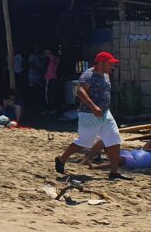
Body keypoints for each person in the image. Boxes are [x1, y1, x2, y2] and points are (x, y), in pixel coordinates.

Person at [55, 52, 131, 180]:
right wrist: (93, 106)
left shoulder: (106, 75)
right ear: (101, 63)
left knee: (114, 139)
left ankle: (114, 172)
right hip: (89, 114)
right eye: (110, 63)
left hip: (106, 113)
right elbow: (79, 91)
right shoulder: (89, 75)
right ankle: (61, 159)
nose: (112, 66)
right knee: (85, 141)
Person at [44, 48, 61, 113]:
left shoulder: (47, 58)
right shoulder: (56, 58)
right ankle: (54, 108)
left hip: (48, 77)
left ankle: (50, 108)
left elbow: (43, 67)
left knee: (47, 94)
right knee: (53, 93)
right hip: (54, 77)